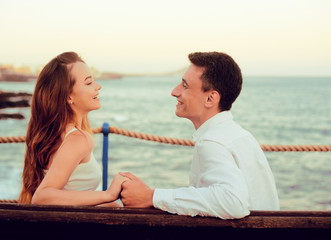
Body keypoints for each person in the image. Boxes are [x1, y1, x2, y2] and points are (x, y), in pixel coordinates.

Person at [120, 51, 280, 219]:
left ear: (210, 99)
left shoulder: (212, 142)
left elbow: (233, 202)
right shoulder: (240, 136)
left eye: (185, 85)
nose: (174, 92)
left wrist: (152, 197)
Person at [18, 52, 128, 206]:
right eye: (89, 83)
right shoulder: (79, 139)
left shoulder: (53, 135)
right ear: (68, 96)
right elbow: (42, 197)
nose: (98, 86)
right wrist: (108, 195)